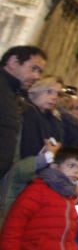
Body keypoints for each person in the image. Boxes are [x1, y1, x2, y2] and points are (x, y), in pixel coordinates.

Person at [0, 146, 78, 250]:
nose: (77, 172)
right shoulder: (36, 191)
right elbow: (13, 229)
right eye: (71, 165)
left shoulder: (69, 197)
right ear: (54, 166)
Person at [0, 46, 46, 178]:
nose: (37, 76)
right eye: (34, 68)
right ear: (13, 62)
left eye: (40, 72)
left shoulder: (14, 94)